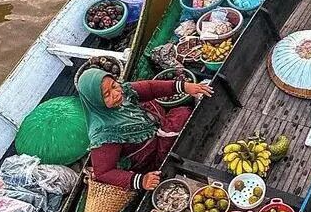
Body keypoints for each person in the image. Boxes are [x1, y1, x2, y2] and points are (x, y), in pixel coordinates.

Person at [78, 68, 211, 192]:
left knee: (181, 113)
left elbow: (150, 88)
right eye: (107, 95)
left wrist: (183, 87)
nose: (116, 93)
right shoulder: (103, 133)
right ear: (95, 101)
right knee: (181, 120)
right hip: (150, 157)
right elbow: (103, 173)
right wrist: (141, 181)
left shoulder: (124, 91)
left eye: (114, 85)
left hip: (156, 125)